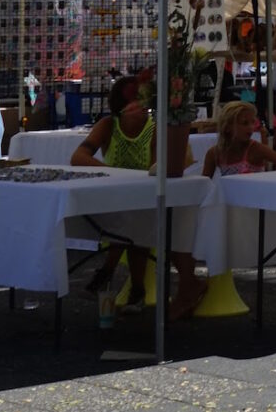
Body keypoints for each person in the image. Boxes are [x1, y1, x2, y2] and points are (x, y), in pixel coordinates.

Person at [72, 73, 206, 318]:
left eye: (142, 101)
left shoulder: (153, 130)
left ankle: (111, 274)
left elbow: (154, 171)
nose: (140, 107)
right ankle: (133, 288)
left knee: (136, 218)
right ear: (121, 109)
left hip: (144, 201)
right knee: (131, 219)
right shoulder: (108, 125)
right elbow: (78, 158)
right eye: (134, 101)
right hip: (117, 201)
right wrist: (116, 173)